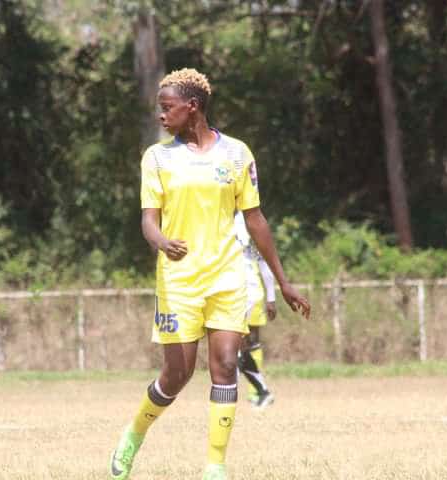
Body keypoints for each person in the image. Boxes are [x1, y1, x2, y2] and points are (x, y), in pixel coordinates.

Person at [109, 68, 310, 480]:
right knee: (176, 376)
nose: (161, 115)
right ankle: (134, 434)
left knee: (226, 365)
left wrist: (283, 281)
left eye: (168, 108)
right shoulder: (157, 157)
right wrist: (161, 241)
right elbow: (148, 220)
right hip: (179, 281)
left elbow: (255, 220)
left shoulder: (237, 154)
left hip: (226, 277)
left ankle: (215, 468)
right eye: (160, 108)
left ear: (192, 106)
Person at [234, 211, 277, 410]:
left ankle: (238, 393)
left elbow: (263, 260)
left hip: (246, 291)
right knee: (242, 346)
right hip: (237, 290)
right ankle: (260, 391)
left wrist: (271, 296)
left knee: (236, 345)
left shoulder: (247, 220)